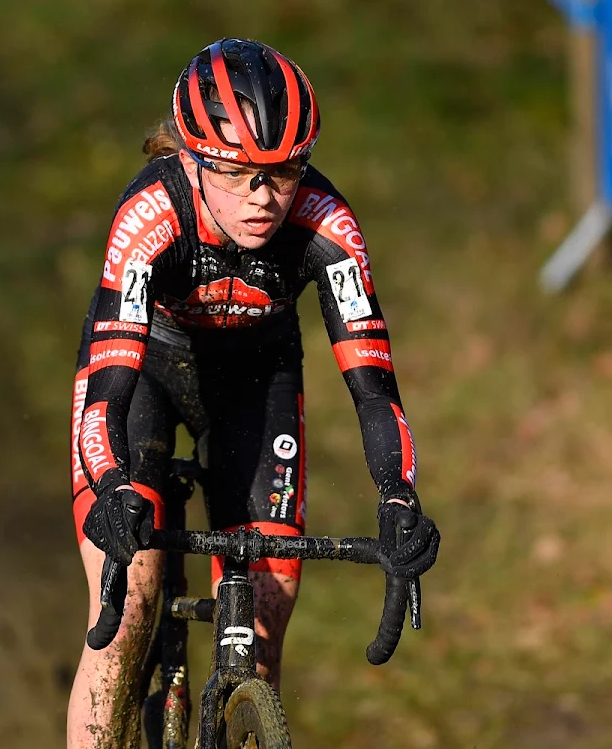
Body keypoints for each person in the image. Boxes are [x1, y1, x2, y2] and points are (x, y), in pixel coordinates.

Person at [65, 38, 441, 747]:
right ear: (191, 158)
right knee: (130, 607)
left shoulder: (327, 224)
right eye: (238, 174)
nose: (263, 197)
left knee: (261, 633)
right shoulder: (151, 214)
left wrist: (398, 493)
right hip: (144, 374)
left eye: (284, 172)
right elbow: (107, 390)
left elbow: (374, 387)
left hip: (257, 379)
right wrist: (112, 481)